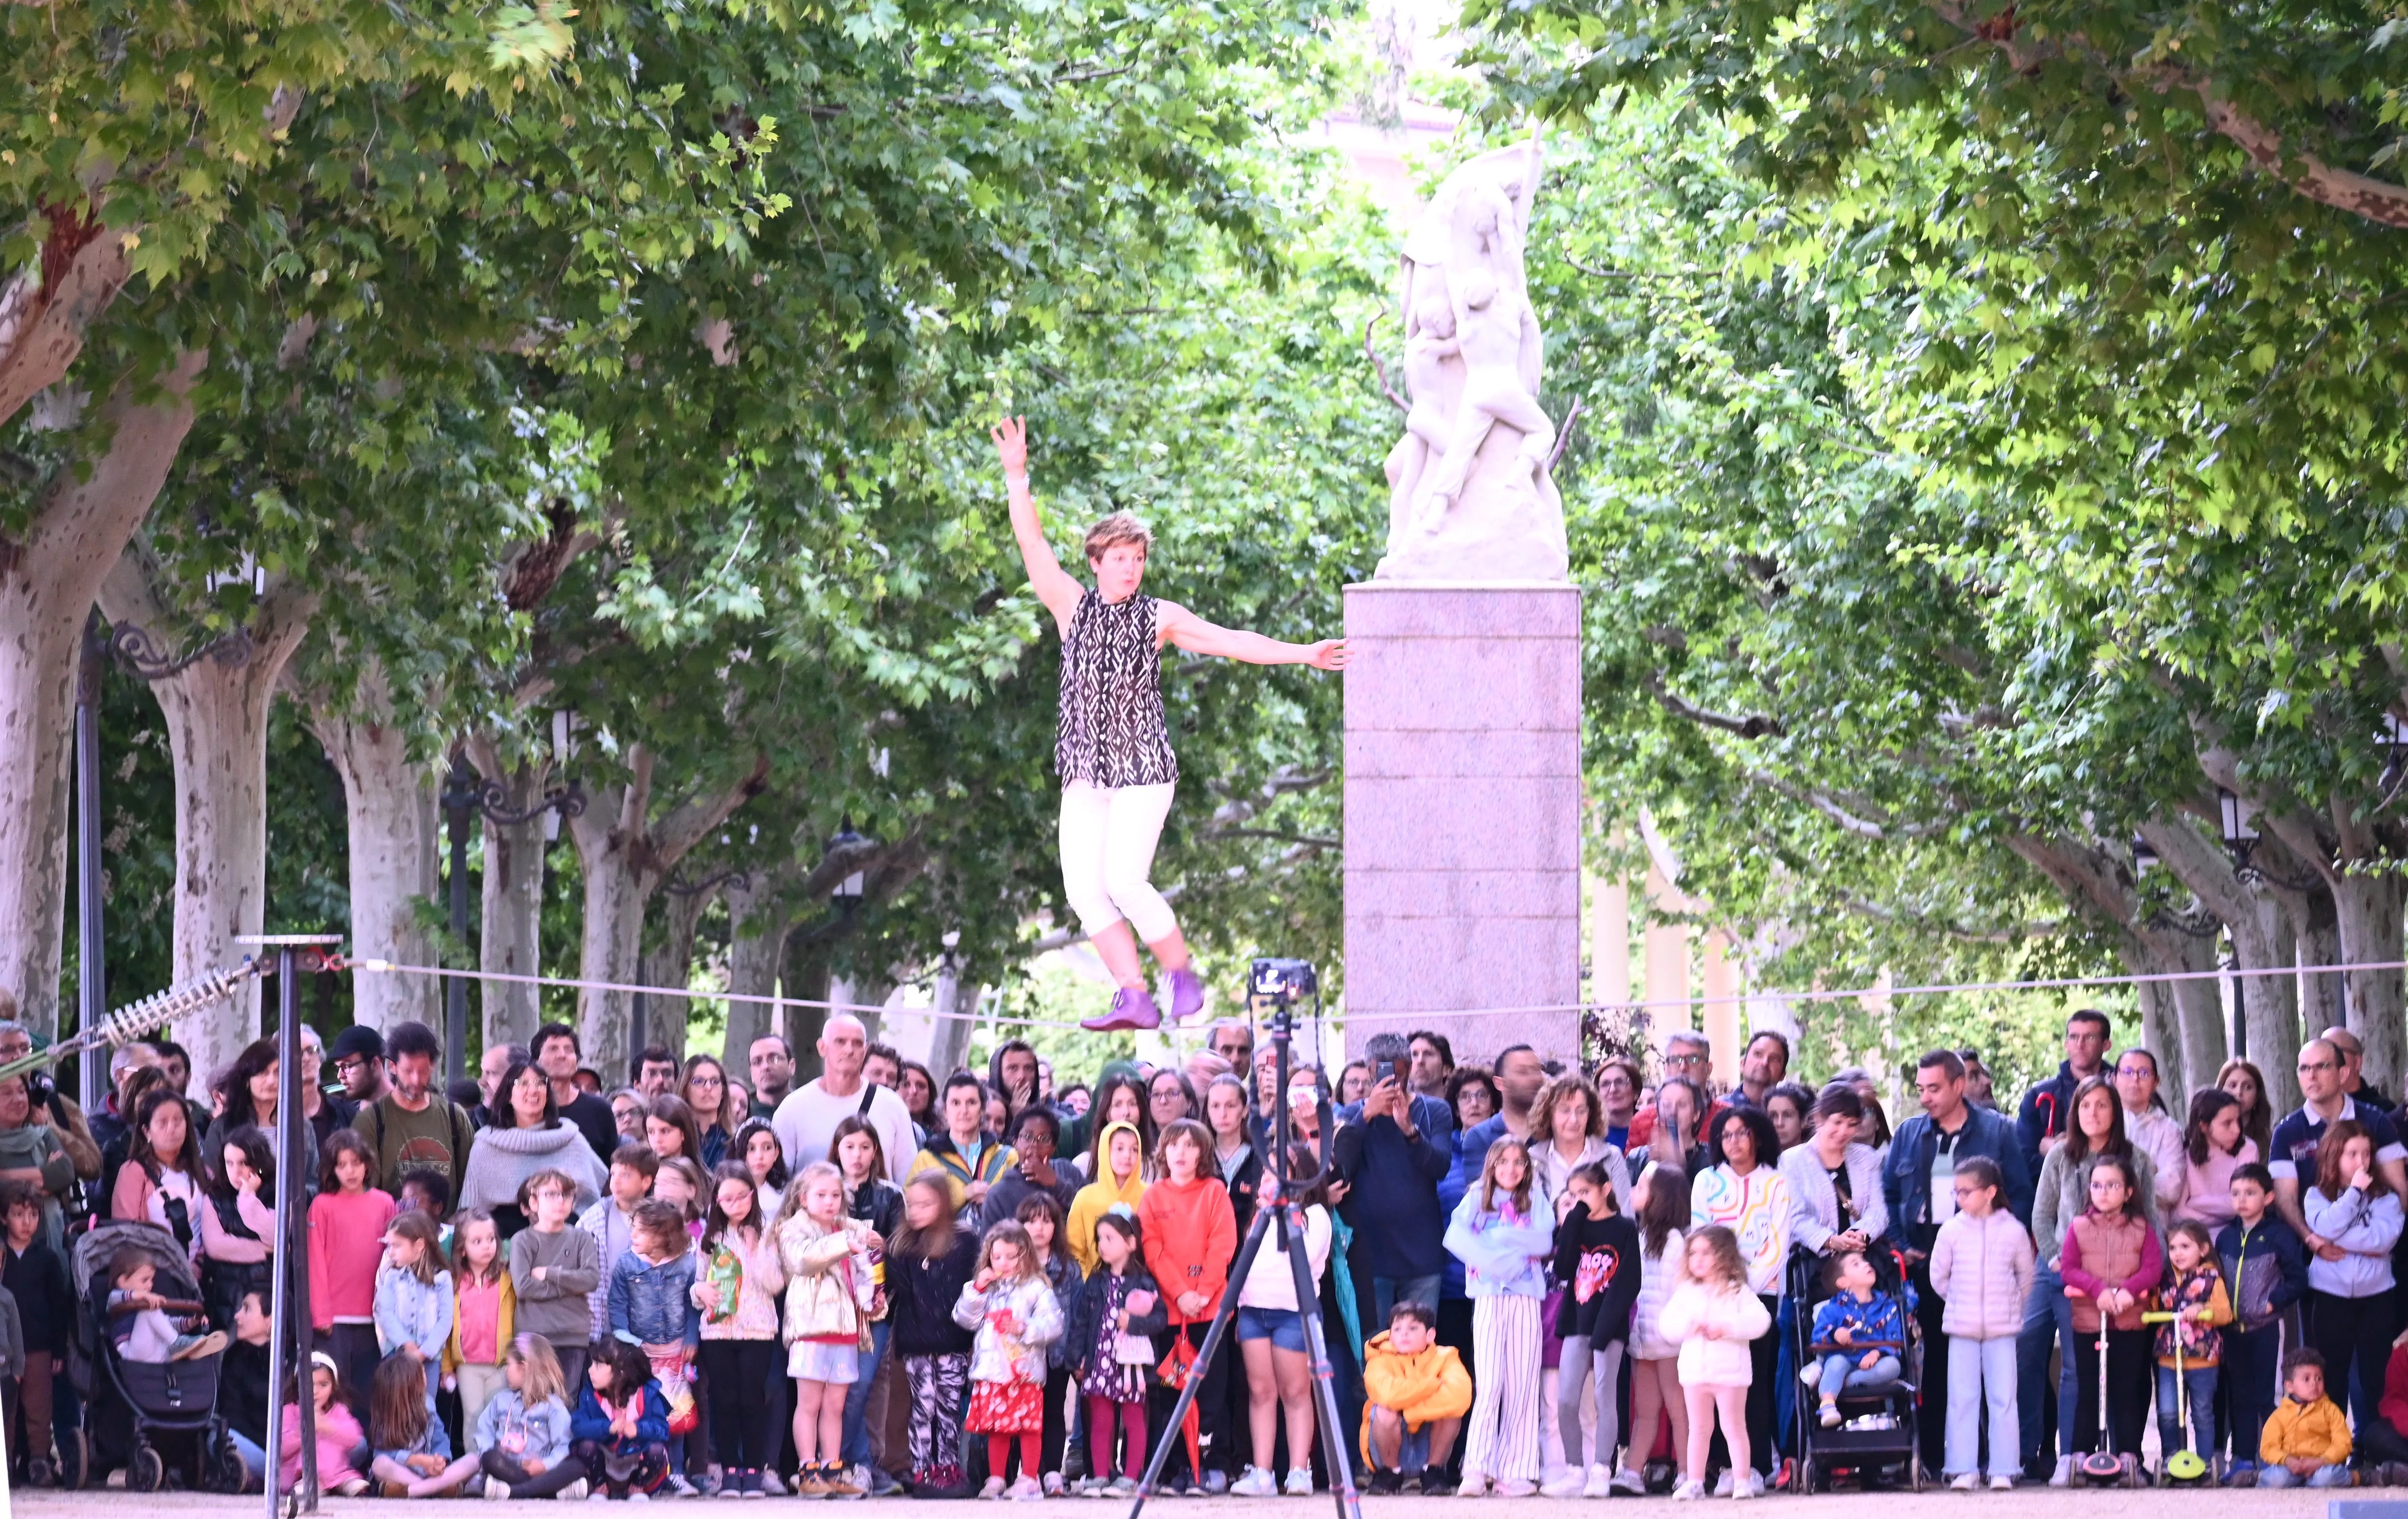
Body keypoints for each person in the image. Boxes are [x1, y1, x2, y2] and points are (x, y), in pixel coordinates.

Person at [996, 416, 1347, 1030]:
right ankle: (1133, 993)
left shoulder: (1158, 616)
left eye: (1138, 559)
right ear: (1096, 561)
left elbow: (1232, 641)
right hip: (1085, 774)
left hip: (1142, 771)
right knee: (1084, 892)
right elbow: (1031, 546)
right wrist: (1017, 476)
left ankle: (1182, 972)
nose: (1130, 570)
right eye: (1119, 559)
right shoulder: (1069, 606)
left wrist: (1302, 653)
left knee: (1125, 880)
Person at [1884, 1048, 2029, 1477]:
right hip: (1926, 1251)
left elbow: (2020, 1191)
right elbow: (1891, 1194)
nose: (1925, 1097)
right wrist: (1899, 1241)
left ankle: (2001, 1460)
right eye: (1920, 1089)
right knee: (1936, 1362)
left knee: (1998, 1366)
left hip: (1984, 1248)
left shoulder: (1998, 1131)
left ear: (1958, 1085)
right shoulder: (1909, 1133)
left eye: (1934, 1088)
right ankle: (1936, 1458)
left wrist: (2005, 1242)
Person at [1445, 1134, 1554, 1498]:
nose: (1511, 1169)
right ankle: (1476, 1467)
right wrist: (1497, 1256)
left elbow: (1543, 1242)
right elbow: (1458, 1239)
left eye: (1518, 1162)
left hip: (1525, 1298)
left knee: (1522, 1384)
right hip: (1490, 1297)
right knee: (1490, 1383)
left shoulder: (1536, 1200)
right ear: (1492, 1165)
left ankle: (1516, 1470)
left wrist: (1503, 1237)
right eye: (1503, 1162)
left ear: (1526, 1168)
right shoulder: (1477, 1198)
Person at [1138, 1118, 1240, 1494]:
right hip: (1169, 1316)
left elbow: (1223, 1246)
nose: (1181, 1152)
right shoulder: (1153, 1197)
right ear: (1162, 1152)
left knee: (1212, 1393)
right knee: (1171, 1393)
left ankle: (1213, 1466)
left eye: (1190, 1145)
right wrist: (1180, 1293)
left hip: (1209, 1316)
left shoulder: (1214, 1192)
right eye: (1173, 1145)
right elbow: (1152, 1249)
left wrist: (1202, 1292)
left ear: (1203, 1153)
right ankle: (1181, 1468)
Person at [1691, 1105, 1789, 1490]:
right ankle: (1726, 1468)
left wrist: (1745, 1287)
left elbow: (1778, 1241)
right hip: (1715, 1293)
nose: (1733, 1142)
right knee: (1718, 1382)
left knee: (1756, 1380)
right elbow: (1700, 1235)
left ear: (1758, 1137)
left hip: (1760, 1294)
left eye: (1742, 1133)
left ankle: (1759, 1467)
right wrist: (1721, 1283)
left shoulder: (1777, 1183)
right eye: (1726, 1135)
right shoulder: (1705, 1181)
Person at [1230, 1143, 1332, 1498]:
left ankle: (1299, 1471)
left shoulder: (1314, 1214)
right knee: (1261, 1392)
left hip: (1293, 1312)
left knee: (1296, 1392)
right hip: (1254, 1312)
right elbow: (1247, 1266)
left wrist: (1284, 1212)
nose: (1269, 1179)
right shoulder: (1258, 1217)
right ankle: (1262, 1473)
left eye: (1280, 1171)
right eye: (1267, 1172)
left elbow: (1304, 1256)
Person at [775, 1159, 879, 1497]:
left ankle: (831, 1467)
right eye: (821, 1195)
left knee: (836, 1405)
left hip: (844, 1329)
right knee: (810, 1403)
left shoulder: (846, 1227)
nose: (830, 1201)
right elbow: (802, 1260)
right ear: (804, 1198)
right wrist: (846, 1244)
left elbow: (869, 1249)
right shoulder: (792, 1228)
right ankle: (807, 1470)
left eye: (836, 1195)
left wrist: (870, 1242)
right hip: (811, 1329)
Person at [1333, 1033, 1454, 1326]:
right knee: (1372, 1348)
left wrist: (1409, 1129)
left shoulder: (1434, 1110)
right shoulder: (1352, 1114)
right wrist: (1367, 1115)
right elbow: (1340, 1167)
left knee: (1421, 1346)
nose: (1392, 1082)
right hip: (1369, 1254)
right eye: (1383, 1073)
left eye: (1398, 1074)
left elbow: (1439, 1166)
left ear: (1409, 1070)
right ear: (1371, 1071)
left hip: (1422, 1254)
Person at [1927, 1156, 2030, 1490]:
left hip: (2003, 1329)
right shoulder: (1951, 1231)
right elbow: (1938, 1277)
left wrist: (2012, 1307)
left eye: (1966, 1192)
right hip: (1962, 1329)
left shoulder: (2014, 1230)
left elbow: (2026, 1278)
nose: (1959, 1198)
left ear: (1990, 1192)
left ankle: (2004, 1468)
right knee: (1962, 1398)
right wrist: (1960, 1302)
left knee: (2004, 1399)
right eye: (1956, 1192)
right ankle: (1962, 1468)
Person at [2056, 1156, 2158, 1484]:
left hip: (2130, 1321)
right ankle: (2080, 1456)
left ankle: (2129, 1455)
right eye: (2097, 1185)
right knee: (2089, 1390)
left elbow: (2152, 1269)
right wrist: (2097, 1289)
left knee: (2127, 1391)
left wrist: (2129, 1291)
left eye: (2112, 1186)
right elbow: (2069, 1268)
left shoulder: (2142, 1228)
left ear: (2128, 1192)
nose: (2103, 1192)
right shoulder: (2079, 1227)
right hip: (2089, 1320)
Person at [1543, 1161, 1639, 1498]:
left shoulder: (1625, 1228)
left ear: (1606, 1189)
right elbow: (1565, 1268)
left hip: (1609, 1326)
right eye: (1572, 1195)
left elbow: (1629, 1283)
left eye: (1585, 1192)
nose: (1579, 1200)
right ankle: (1574, 1471)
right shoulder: (1577, 1226)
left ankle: (1601, 1468)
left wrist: (1604, 1330)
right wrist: (1573, 1219)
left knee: (1603, 1396)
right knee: (1566, 1398)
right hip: (1577, 1323)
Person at [2299, 1118, 2403, 1428]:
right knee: (2332, 1376)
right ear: (2335, 1156)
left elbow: (2383, 1240)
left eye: (2367, 1154)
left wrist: (2333, 1238)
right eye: (2353, 1154)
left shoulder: (2387, 1197)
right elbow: (2325, 1225)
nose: (2362, 1161)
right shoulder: (2316, 1196)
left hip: (2377, 1297)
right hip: (2332, 1297)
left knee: (2375, 1376)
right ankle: (2334, 1445)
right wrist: (2354, 1193)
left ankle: (2374, 1447)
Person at [691, 1161, 787, 1496]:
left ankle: (754, 1470)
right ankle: (730, 1470)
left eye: (742, 1197)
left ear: (753, 1195)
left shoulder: (768, 1231)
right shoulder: (709, 1236)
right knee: (723, 1398)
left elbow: (776, 1284)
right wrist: (699, 1291)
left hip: (758, 1329)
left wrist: (755, 1249)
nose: (735, 1205)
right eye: (727, 1199)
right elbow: (697, 1282)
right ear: (716, 1200)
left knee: (753, 1398)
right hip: (718, 1331)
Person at [951, 1218, 1063, 1500]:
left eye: (1012, 1256)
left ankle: (1029, 1478)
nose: (1004, 1262)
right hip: (993, 1371)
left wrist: (1025, 1328)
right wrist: (976, 1289)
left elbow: (1055, 1323)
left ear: (1026, 1254)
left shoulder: (1036, 1287)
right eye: (997, 1256)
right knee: (997, 1430)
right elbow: (964, 1319)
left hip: (1024, 1372)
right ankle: (997, 1478)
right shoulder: (985, 1287)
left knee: (1029, 1427)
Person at [1661, 1223, 1769, 1502]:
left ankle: (1742, 1480)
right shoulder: (1685, 1292)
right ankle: (1695, 1481)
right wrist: (1689, 1326)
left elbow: (1761, 1321)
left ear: (1725, 1256)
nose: (1697, 1259)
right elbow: (1667, 1326)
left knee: (1734, 1427)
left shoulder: (1738, 1292)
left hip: (1730, 1373)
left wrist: (1728, 1327)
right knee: (1698, 1428)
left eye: (1706, 1253)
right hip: (1695, 1373)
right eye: (1693, 1253)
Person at [888, 1171, 980, 1496]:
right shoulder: (901, 1245)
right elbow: (899, 1292)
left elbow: (969, 1292)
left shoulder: (965, 1242)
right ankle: (923, 1470)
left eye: (925, 1204)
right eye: (911, 1205)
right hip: (916, 1344)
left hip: (953, 1342)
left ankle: (949, 1467)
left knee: (950, 1406)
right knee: (924, 1405)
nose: (916, 1211)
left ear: (943, 1204)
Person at [2271, 1037, 2408, 1252]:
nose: (2312, 1076)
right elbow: (2285, 1199)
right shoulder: (2286, 1132)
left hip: (2375, 1257)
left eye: (2322, 1066)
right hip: (2313, 1258)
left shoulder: (2377, 1121)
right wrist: (2312, 1240)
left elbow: (2400, 1190)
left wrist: (2380, 1242)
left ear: (2343, 1074)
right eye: (2304, 1068)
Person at [2217, 1162, 2307, 1484]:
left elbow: (2298, 1279)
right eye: (2236, 1193)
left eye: (2251, 1193)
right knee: (2239, 1396)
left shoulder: (2279, 1235)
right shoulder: (2226, 1237)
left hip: (2267, 1328)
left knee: (2267, 1396)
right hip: (2232, 1330)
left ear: (2268, 1198)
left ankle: (2271, 1457)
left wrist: (2272, 1303)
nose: (2242, 1200)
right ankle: (2242, 1459)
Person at [609, 1198, 703, 1493]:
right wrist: (629, 1343)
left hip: (675, 1352)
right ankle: (650, 1474)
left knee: (676, 1414)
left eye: (641, 1231)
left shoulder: (687, 1262)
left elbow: (692, 1305)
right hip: (641, 1355)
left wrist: (691, 1337)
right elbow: (617, 1307)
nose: (632, 1236)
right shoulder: (626, 1263)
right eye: (633, 1229)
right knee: (646, 1414)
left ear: (665, 1236)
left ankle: (675, 1472)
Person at [458, 1059, 607, 1239]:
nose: (533, 1090)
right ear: (508, 1095)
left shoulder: (570, 1138)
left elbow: (597, 1195)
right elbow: (471, 1213)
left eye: (540, 1083)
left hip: (565, 1243)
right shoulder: (486, 1144)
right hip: (502, 1248)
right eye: (523, 1083)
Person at [771, 1014, 918, 1186]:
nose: (849, 1050)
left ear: (865, 1051)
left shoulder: (892, 1107)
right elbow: (777, 1183)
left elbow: (909, 1181)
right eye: (840, 1042)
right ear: (822, 1047)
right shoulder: (792, 1109)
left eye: (857, 1044)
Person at [306, 1129, 397, 1407]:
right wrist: (321, 1314)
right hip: (335, 1320)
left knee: (368, 1394)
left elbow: (393, 1260)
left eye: (356, 1163)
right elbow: (314, 1261)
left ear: (367, 1164)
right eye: (342, 1165)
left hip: (375, 1317)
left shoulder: (384, 1203)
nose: (350, 1171)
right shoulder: (322, 1205)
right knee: (335, 1394)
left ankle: (367, 1450)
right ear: (332, 1169)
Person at [351, 1021, 476, 1209]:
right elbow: (362, 1192)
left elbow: (471, 1184)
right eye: (408, 1071)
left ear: (433, 1066)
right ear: (392, 1067)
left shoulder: (454, 1117)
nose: (417, 1080)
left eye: (423, 1071)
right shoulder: (371, 1121)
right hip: (392, 1231)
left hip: (446, 1232)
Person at [1360, 1298, 1471, 1495]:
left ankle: (1433, 1472)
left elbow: (1460, 1396)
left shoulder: (1447, 1356)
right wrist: (1431, 1385)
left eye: (1413, 1328)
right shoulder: (1378, 1359)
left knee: (1452, 1412)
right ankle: (1390, 1473)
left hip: (1427, 1446)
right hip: (1389, 1445)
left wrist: (1409, 1412)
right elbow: (1388, 1394)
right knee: (1384, 1410)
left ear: (1430, 1335)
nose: (1404, 1334)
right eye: (1397, 1329)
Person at [1627, 1164, 1690, 1498]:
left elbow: (1682, 1294)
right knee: (1645, 1412)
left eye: (1641, 1186)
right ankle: (1633, 1471)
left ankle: (1688, 1473)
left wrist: (1676, 1334)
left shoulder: (1678, 1243)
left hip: (1669, 1344)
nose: (1634, 1191)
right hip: (1642, 1341)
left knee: (1679, 1410)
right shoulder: (1638, 1236)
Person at [2153, 1219, 2233, 1480]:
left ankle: (2206, 1461)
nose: (2178, 1253)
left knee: (2202, 1412)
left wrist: (2202, 1310)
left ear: (2203, 1249)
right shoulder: (2163, 1278)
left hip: (2202, 1359)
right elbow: (2154, 1308)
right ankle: (2172, 1458)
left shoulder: (2211, 1278)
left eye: (2185, 1246)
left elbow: (2225, 1314)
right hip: (2169, 1358)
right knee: (2167, 1411)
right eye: (2173, 1247)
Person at [0, 1182, 70, 1475]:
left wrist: (58, 1348)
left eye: (33, 1215)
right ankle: (8, 1463)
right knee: (8, 1410)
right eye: (18, 1214)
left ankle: (40, 1460)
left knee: (39, 1408)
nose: (27, 1222)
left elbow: (58, 1307)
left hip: (39, 1346)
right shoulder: (1, 1256)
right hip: (5, 1351)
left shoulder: (47, 1259)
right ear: (4, 1218)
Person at [512, 1168, 602, 1394]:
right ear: (534, 1202)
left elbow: (591, 1280)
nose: (560, 1201)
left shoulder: (582, 1238)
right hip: (534, 1336)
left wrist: (552, 1274)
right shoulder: (522, 1241)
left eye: (567, 1195)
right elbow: (523, 1287)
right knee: (532, 1399)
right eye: (551, 1194)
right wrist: (571, 1287)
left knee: (566, 1403)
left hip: (572, 1336)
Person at [376, 1208, 457, 1459]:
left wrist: (425, 1352)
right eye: (389, 1246)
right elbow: (385, 1313)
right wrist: (407, 1346)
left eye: (397, 1246)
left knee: (426, 1407)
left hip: (429, 1359)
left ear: (420, 1245)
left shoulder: (443, 1279)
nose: (391, 1252)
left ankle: (429, 1456)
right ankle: (397, 1458)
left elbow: (446, 1319)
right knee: (395, 1406)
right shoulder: (391, 1278)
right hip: (398, 1357)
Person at [1780, 1082, 1887, 1255]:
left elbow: (1878, 1210)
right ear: (1819, 1119)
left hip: (1860, 1261)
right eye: (1837, 1122)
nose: (1843, 1131)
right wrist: (1830, 1240)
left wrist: (1860, 1235)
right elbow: (1795, 1217)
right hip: (1813, 1265)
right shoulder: (1792, 1161)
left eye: (1852, 1124)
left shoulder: (1867, 1157)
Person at [472, 1334, 585, 1499]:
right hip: (509, 1469)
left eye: (508, 1364)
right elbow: (484, 1431)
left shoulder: (553, 1407)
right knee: (490, 1459)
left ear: (524, 1367)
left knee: (578, 1466)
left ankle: (514, 1492)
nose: (505, 1369)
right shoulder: (501, 1400)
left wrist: (545, 1466)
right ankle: (550, 1492)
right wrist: (493, 1450)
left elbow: (564, 1445)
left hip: (542, 1472)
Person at [1803, 1248, 1905, 1427]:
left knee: (1894, 1366)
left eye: (1865, 1261)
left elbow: (1895, 1337)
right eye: (1856, 1264)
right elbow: (1818, 1337)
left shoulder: (1888, 1307)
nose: (1866, 1264)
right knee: (1836, 1363)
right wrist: (1835, 1334)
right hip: (1843, 1357)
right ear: (1843, 1283)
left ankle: (1845, 1383)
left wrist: (1877, 1353)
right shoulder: (1833, 1309)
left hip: (1871, 1365)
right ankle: (1827, 1405)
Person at [2016, 1009, 2113, 1181]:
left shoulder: (2121, 1090)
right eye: (2074, 1037)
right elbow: (2023, 1161)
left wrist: (2062, 1149)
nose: (2080, 1045)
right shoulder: (2039, 1096)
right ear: (2066, 1043)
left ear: (2106, 1045)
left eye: (2089, 1037)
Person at [571, 1336, 673, 1499]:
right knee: (586, 1446)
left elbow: (663, 1430)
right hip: (605, 1463)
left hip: (636, 1460)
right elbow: (578, 1427)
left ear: (621, 1372)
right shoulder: (590, 1395)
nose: (590, 1370)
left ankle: (638, 1487)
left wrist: (639, 1430)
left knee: (657, 1450)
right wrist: (608, 1428)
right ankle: (600, 1487)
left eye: (598, 1366)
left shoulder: (647, 1394)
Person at [446, 1208, 515, 1436]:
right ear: (462, 1249)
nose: (487, 1246)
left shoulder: (507, 1279)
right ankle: (474, 1468)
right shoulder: (453, 1283)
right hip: (468, 1366)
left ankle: (496, 1468)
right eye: (477, 1241)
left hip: (502, 1365)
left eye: (491, 1239)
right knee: (473, 1419)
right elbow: (446, 1328)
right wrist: (447, 1367)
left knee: (499, 1418)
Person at [910, 1071, 1014, 1220]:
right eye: (956, 1103)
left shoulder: (1007, 1157)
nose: (964, 1111)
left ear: (983, 1109)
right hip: (944, 1242)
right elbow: (912, 1211)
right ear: (945, 1111)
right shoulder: (926, 1159)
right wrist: (964, 1194)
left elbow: (1023, 1205)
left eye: (971, 1103)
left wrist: (994, 1199)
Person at [1529, 1072, 1633, 1212]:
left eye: (1581, 1111)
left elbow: (1626, 1219)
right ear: (1549, 1114)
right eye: (1565, 1111)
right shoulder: (1532, 1160)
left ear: (1590, 1114)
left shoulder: (1612, 1158)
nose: (1574, 1120)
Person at [104, 1247, 224, 1362]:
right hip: (132, 1353)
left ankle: (190, 1350)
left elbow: (166, 1324)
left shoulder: (147, 1307)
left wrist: (192, 1322)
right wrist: (143, 1296)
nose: (150, 1285)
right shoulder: (115, 1298)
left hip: (156, 1354)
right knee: (149, 1310)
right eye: (145, 1280)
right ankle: (178, 1344)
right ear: (123, 1281)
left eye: (152, 1280)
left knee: (160, 1321)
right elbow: (119, 1298)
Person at [2257, 1347, 2351, 1488]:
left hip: (2321, 1467)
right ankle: (2254, 1477)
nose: (2314, 1384)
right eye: (2306, 1379)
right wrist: (2287, 1460)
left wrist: (2322, 1461)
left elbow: (2343, 1442)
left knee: (2326, 1478)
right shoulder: (2279, 1415)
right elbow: (2268, 1448)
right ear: (2290, 1387)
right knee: (2278, 1479)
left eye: (2319, 1378)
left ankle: (2357, 1477)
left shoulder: (2331, 1410)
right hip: (2290, 1468)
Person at [284, 1352, 373, 1496]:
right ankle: (317, 1481)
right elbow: (280, 1450)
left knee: (328, 1440)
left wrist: (326, 1426)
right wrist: (302, 1429)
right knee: (316, 1440)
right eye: (308, 1384)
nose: (315, 1391)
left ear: (333, 1387)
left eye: (323, 1385)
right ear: (297, 1384)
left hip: (337, 1469)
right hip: (298, 1474)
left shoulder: (338, 1410)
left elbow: (355, 1438)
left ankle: (340, 1481)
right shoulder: (290, 1411)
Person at [0, 1076, 72, 1255]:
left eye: (22, 1091)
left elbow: (65, 1172)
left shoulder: (42, 1135)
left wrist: (6, 1176)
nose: (18, 1099)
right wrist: (44, 1181)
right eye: (7, 1093)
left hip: (49, 1246)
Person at [2170, 1087, 2259, 1229]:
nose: (2237, 1130)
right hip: (2198, 1237)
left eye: (2238, 1121)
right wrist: (2223, 1211)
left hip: (2238, 1231)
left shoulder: (2247, 1149)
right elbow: (2179, 1214)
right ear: (2204, 1127)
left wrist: (2196, 1203)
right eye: (2227, 1123)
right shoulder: (2186, 1153)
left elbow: (2243, 1204)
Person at [1069, 1122, 1150, 1274]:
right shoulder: (1085, 1198)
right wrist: (1089, 1281)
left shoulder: (1150, 1195)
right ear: (1105, 1152)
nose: (1127, 1155)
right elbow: (1074, 1251)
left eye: (1134, 1150)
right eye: (1119, 1149)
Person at [2112, 1047, 2183, 1214]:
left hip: (2151, 1222)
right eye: (2128, 1072)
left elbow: (2171, 1188)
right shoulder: (2102, 1121)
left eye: (2144, 1073)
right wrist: (2148, 1171)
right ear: (2114, 1079)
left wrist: (2117, 1184)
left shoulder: (2169, 1130)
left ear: (2156, 1082)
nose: (2135, 1079)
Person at [1625, 1034, 1722, 1153]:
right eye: (1675, 1060)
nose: (1683, 1068)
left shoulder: (1729, 1118)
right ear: (1665, 1068)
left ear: (1709, 1068)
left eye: (1693, 1059)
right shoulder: (1642, 1121)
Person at [1630, 1077, 1708, 1177]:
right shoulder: (1637, 1158)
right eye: (1667, 1105)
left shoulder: (1712, 1159)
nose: (1673, 1112)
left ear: (1696, 1115)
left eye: (1682, 1105)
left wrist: (1678, 1169)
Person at [2320, 1025, 2397, 1114]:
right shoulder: (2311, 1113)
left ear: (2357, 1062)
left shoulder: (2382, 1112)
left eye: (2336, 1051)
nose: (2326, 1061)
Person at [678, 1055, 737, 1169]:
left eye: (715, 1081)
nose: (708, 1087)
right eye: (699, 1081)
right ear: (685, 1089)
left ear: (723, 1092)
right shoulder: (673, 1138)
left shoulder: (737, 1140)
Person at [732, 1116, 789, 1218]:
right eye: (751, 1149)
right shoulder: (728, 1190)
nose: (759, 1156)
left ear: (776, 1154)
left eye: (767, 1148)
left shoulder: (784, 1194)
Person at [2220, 1058, 2276, 1161]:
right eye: (2233, 1086)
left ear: (2257, 1096)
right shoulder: (2207, 1138)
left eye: (2248, 1087)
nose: (2238, 1093)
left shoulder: (2271, 1143)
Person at [329, 1024, 392, 1109]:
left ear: (375, 1063)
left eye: (347, 1066)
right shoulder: (344, 1116)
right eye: (338, 1068)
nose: (340, 1076)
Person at [1593, 1059, 1642, 1150]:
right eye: (1605, 1084)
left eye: (1620, 1082)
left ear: (1636, 1092)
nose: (1613, 1090)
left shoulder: (1651, 1130)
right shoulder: (1589, 1133)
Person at [1733, 1031, 1788, 1110]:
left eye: (1774, 1059)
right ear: (1742, 1064)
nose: (1765, 1062)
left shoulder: (1785, 1118)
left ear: (1783, 1075)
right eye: (1758, 1054)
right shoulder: (1717, 1111)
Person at [1759, 1082, 1815, 1152]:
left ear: (1804, 1121)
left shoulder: (1815, 1160)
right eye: (1773, 1116)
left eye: (1787, 1115)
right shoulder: (1757, 1160)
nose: (1779, 1124)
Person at [748, 1034, 797, 1112]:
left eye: (775, 1059)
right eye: (757, 1062)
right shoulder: (740, 1116)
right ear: (751, 1073)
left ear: (791, 1067)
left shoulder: (809, 1109)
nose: (765, 1067)